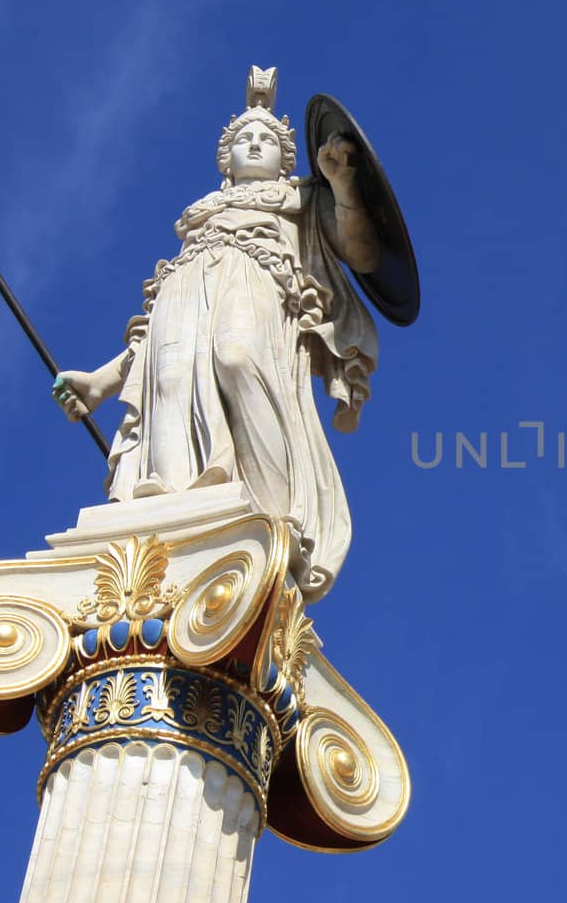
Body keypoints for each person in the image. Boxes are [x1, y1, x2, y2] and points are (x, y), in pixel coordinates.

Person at [53, 70, 381, 602]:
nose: (254, 145)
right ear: (225, 159)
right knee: (172, 375)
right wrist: (100, 383)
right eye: (244, 139)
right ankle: (168, 485)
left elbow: (363, 253)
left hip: (257, 280)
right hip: (187, 287)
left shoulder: (299, 200)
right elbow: (146, 341)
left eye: (267, 140)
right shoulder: (198, 221)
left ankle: (275, 513)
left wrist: (342, 182)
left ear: (285, 158)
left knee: (236, 357)